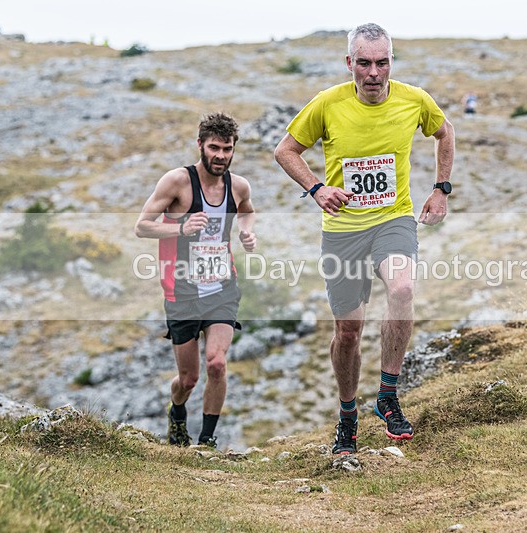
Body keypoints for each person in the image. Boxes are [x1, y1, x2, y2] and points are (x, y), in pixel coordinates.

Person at [274, 23, 455, 455]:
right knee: (349, 331)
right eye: (364, 63)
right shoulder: (327, 103)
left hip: (393, 219)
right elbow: (284, 150)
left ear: (391, 61)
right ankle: (348, 416)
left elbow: (445, 131)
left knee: (404, 287)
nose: (374, 72)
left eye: (382, 62)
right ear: (349, 63)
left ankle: (388, 395)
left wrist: (440, 188)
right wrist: (317, 189)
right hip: (343, 231)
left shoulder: (414, 100)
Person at [135, 112, 256, 448]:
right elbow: (141, 226)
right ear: (200, 146)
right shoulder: (177, 182)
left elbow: (246, 210)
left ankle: (206, 441)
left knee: (217, 363)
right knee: (188, 379)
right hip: (182, 292)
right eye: (214, 147)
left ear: (234, 150)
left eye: (227, 149)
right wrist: (180, 228)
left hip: (222, 288)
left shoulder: (239, 185)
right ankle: (177, 412)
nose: (220, 155)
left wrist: (247, 233)